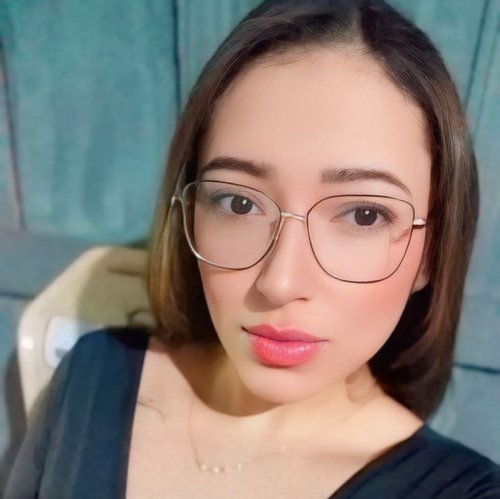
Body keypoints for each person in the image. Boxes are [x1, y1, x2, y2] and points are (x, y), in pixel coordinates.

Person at [6, 0, 500, 497]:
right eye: (239, 203)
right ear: (189, 210)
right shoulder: (94, 376)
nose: (279, 283)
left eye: (363, 215)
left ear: (432, 252)